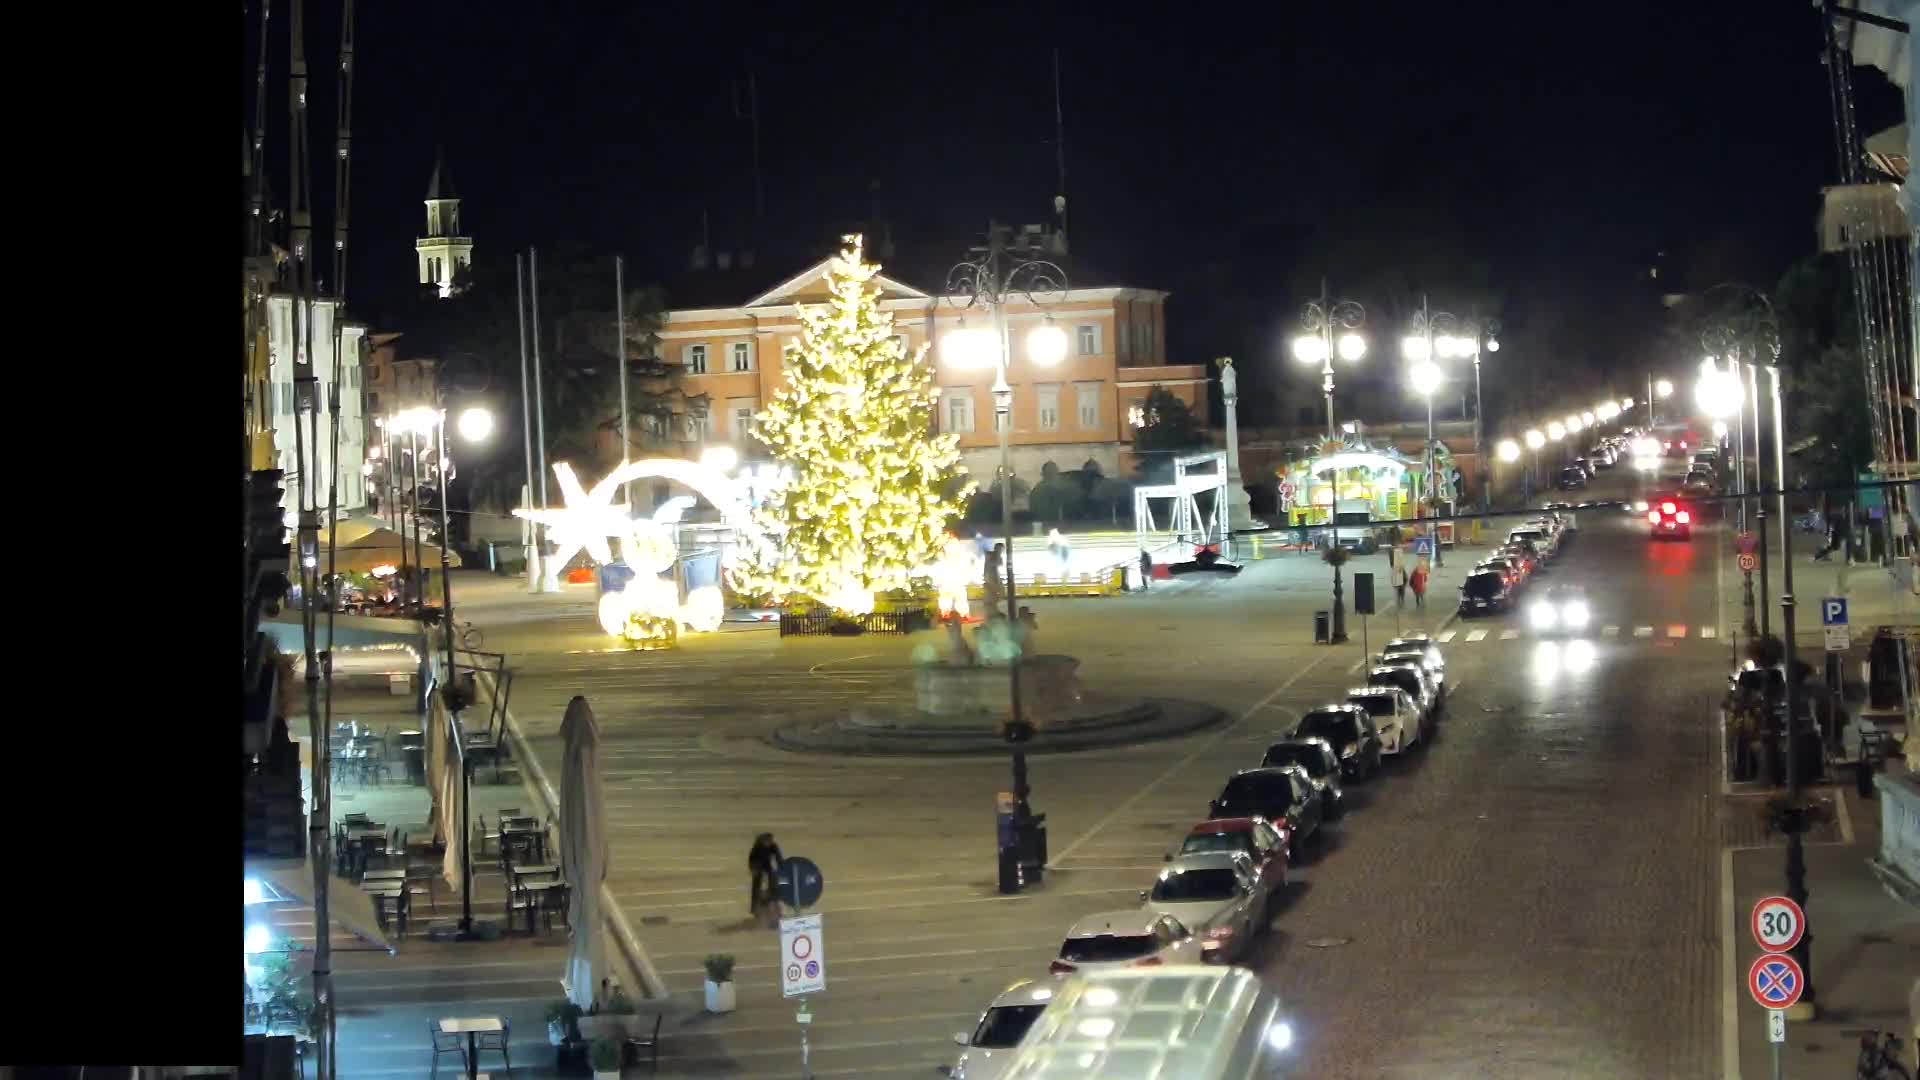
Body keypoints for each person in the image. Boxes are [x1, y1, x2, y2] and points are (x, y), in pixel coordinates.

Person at [748, 833, 783, 925]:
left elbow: (779, 858)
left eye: (770, 841)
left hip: (769, 869)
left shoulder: (773, 846)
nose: (769, 842)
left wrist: (781, 868)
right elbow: (751, 860)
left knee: (774, 890)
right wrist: (754, 870)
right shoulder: (756, 848)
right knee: (756, 890)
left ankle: (775, 912)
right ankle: (756, 911)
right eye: (767, 841)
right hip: (759, 869)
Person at [984, 544, 1006, 612]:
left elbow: (1000, 564)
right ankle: (991, 607)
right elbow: (991, 564)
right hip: (990, 577)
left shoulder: (999, 557)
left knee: (1001, 591)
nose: (1000, 551)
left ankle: (995, 607)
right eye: (999, 549)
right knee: (992, 592)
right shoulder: (990, 554)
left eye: (1001, 550)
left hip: (995, 577)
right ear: (995, 548)